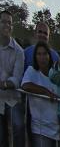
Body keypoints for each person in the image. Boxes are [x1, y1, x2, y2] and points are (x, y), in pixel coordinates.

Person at [20, 42, 59, 147]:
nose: (42, 57)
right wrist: (45, 91)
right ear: (35, 56)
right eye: (39, 54)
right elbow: (25, 85)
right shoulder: (31, 70)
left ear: (49, 55)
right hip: (41, 129)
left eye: (45, 53)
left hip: (59, 127)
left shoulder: (55, 73)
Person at [0, 10, 25, 147]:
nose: (6, 25)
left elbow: (17, 79)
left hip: (13, 99)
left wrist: (3, 84)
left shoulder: (18, 51)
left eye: (9, 23)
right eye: (3, 21)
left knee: (18, 127)